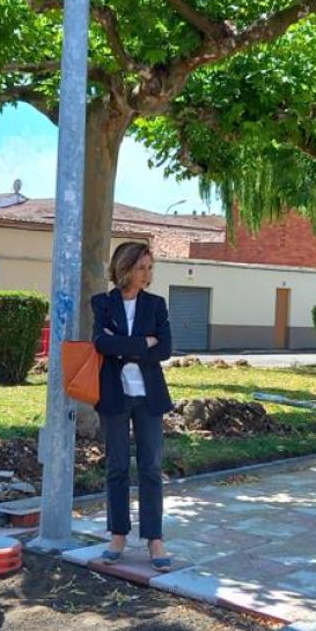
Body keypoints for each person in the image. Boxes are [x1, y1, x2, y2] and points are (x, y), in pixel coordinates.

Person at [91, 242, 173, 570]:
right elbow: (101, 342)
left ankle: (154, 539)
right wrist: (142, 343)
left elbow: (164, 349)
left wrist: (123, 346)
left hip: (149, 397)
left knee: (151, 467)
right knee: (117, 466)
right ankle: (118, 535)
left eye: (150, 268)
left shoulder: (156, 305)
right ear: (124, 268)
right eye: (141, 267)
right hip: (114, 395)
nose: (147, 274)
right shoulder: (103, 303)